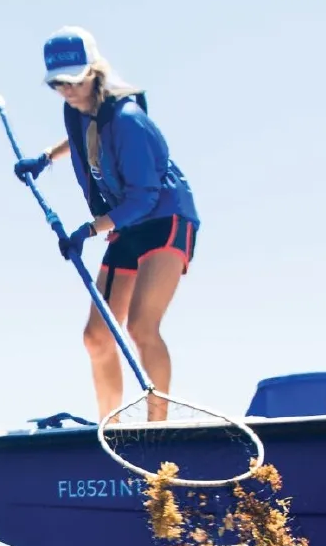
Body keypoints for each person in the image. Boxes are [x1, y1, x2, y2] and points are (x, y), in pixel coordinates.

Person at [14, 28, 199, 422]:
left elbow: (145, 197)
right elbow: (81, 135)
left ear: (95, 72)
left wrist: (89, 230)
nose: (67, 90)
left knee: (142, 326)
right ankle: (109, 428)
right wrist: (45, 159)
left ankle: (157, 428)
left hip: (164, 219)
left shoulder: (129, 121)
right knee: (96, 336)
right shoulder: (77, 108)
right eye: (58, 83)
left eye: (74, 80)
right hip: (126, 223)